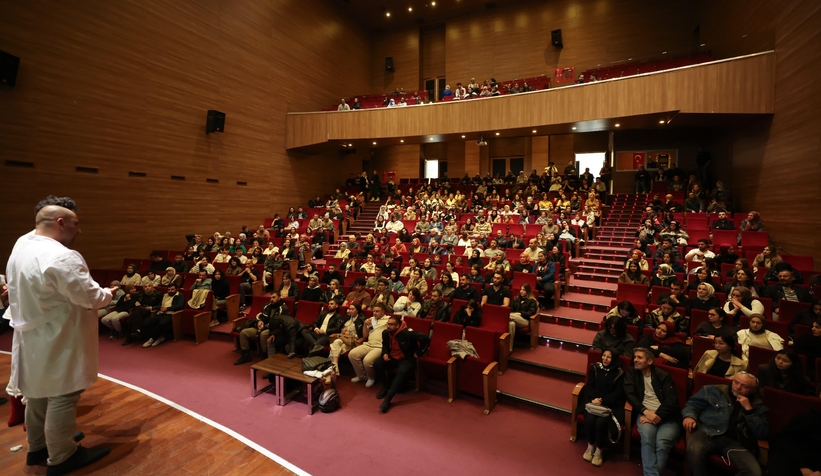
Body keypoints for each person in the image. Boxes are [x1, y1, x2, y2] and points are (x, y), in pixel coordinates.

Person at [3, 197, 117, 474]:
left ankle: (39, 446)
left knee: (38, 391)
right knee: (63, 394)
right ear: (60, 223)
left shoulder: (23, 243)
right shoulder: (62, 256)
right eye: (76, 224)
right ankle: (62, 455)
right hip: (60, 334)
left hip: (32, 332)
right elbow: (89, 296)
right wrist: (109, 294)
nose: (79, 230)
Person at [682, 371, 768, 476]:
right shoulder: (714, 390)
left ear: (753, 390)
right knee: (694, 450)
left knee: (754, 472)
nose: (738, 387)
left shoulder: (758, 405)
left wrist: (749, 410)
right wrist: (689, 416)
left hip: (734, 442)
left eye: (744, 386)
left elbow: (762, 433)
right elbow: (692, 404)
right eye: (736, 382)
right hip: (707, 432)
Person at [624, 347, 681, 476]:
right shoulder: (632, 373)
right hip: (645, 414)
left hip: (668, 418)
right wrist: (645, 411)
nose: (635, 360)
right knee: (647, 440)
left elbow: (672, 400)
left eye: (640, 357)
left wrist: (656, 415)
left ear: (650, 361)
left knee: (662, 444)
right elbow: (630, 394)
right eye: (635, 357)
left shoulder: (663, 376)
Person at [373, 314, 430, 413]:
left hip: (406, 358)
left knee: (402, 372)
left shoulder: (408, 333)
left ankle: (388, 398)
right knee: (377, 364)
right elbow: (385, 346)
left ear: (397, 326)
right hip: (392, 358)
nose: (388, 326)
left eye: (391, 325)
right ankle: (386, 386)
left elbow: (425, 338)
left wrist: (419, 352)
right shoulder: (386, 333)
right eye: (388, 324)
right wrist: (385, 353)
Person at [580, 349, 625, 467]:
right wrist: (595, 399)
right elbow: (589, 386)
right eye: (603, 356)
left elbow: (618, 393)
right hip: (593, 403)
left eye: (608, 357)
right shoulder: (595, 368)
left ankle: (599, 450)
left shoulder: (619, 373)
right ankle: (590, 446)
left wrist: (603, 401)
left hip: (610, 405)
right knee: (589, 419)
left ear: (614, 359)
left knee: (600, 422)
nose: (605, 359)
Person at [348, 303, 391, 388]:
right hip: (369, 344)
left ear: (383, 312)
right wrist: (365, 324)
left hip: (379, 347)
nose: (374, 313)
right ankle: (362, 376)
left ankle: (371, 378)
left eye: (377, 311)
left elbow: (400, 324)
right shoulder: (371, 320)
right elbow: (365, 336)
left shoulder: (388, 320)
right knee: (352, 354)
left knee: (367, 361)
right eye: (373, 311)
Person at [327, 304, 365, 375]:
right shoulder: (347, 317)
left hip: (352, 341)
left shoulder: (361, 319)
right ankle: (335, 368)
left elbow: (361, 335)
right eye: (349, 309)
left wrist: (349, 333)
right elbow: (340, 327)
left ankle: (332, 368)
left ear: (357, 310)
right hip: (343, 337)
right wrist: (343, 331)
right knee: (336, 342)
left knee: (334, 348)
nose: (350, 311)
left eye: (352, 309)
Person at [508, 284, 538, 350]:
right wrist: (515, 314)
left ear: (528, 291)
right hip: (514, 318)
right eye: (521, 289)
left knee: (508, 315)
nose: (521, 291)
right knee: (511, 324)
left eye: (524, 290)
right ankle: (509, 349)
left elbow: (531, 313)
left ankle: (505, 317)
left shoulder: (532, 301)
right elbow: (511, 309)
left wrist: (521, 314)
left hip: (525, 321)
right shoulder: (516, 299)